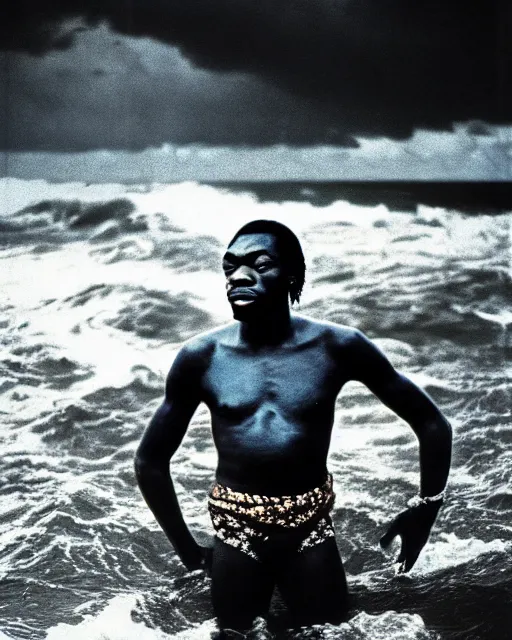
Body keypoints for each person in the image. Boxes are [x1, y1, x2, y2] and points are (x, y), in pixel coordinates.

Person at [134, 220, 452, 635]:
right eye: (230, 267)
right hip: (237, 533)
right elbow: (150, 460)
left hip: (310, 529)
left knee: (330, 633)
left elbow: (432, 423)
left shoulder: (338, 346)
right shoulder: (202, 357)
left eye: (259, 264)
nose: (239, 277)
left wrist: (426, 509)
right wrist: (190, 554)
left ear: (292, 276)